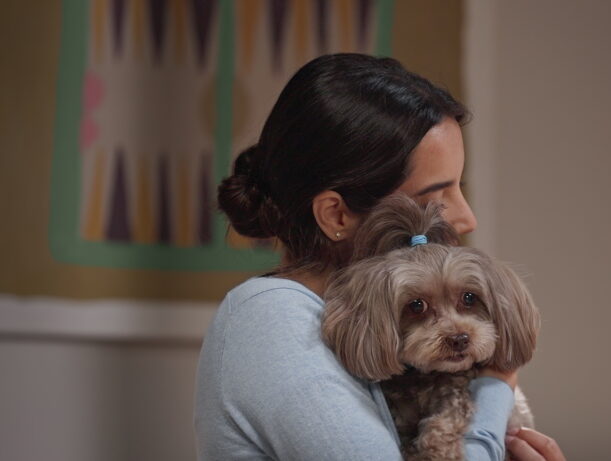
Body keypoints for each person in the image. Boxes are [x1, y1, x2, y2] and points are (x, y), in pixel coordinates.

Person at [194, 53, 565, 461]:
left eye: (460, 187)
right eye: (435, 197)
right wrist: (496, 387)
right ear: (336, 215)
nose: (466, 218)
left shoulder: (379, 335)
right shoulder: (273, 320)